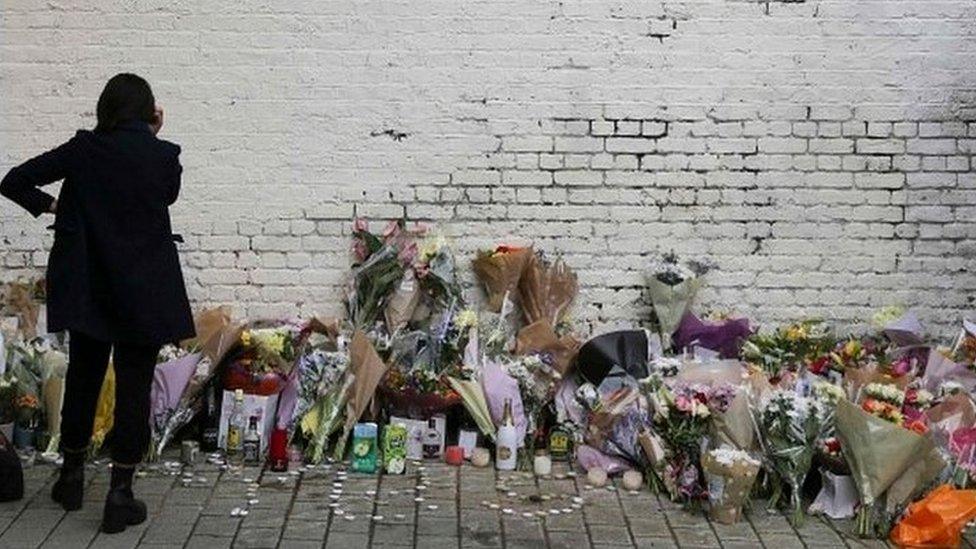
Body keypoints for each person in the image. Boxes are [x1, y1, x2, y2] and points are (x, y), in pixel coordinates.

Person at [0, 73, 194, 533]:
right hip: (143, 292)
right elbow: (164, 194)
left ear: (104, 109)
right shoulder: (163, 156)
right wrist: (153, 135)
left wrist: (53, 206)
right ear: (149, 112)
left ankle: (70, 477)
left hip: (89, 288)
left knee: (84, 381)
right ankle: (120, 493)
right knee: (132, 389)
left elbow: (14, 180)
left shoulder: (84, 150)